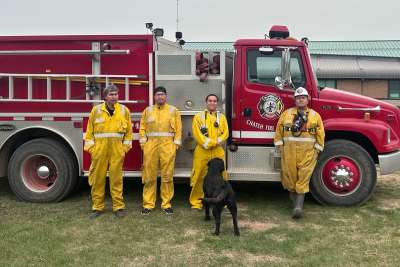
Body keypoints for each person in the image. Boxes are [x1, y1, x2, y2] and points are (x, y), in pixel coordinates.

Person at [274, 87, 325, 219]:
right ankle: (295, 204)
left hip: (308, 152)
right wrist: (279, 145)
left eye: (303, 97)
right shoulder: (286, 114)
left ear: (307, 99)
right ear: (295, 100)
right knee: (290, 178)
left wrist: (318, 148)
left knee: (303, 178)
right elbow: (279, 129)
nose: (300, 100)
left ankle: (298, 208)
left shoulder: (315, 115)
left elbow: (320, 132)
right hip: (289, 151)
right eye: (298, 98)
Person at [84, 84, 133, 219]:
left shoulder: (124, 110)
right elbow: (89, 132)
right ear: (105, 97)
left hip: (117, 151)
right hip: (99, 151)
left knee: (116, 180)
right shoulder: (96, 110)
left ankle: (118, 207)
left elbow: (129, 133)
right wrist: (92, 149)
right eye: (111, 94)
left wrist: (124, 148)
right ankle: (97, 207)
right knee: (98, 179)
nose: (114, 97)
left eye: (116, 94)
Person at [139, 86, 182, 215]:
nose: (160, 97)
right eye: (158, 94)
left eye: (162, 94)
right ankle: (148, 204)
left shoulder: (173, 110)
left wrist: (175, 145)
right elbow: (142, 128)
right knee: (149, 176)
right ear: (154, 97)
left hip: (167, 146)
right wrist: (144, 144)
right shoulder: (148, 111)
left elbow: (179, 129)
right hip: (150, 146)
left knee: (167, 176)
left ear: (166, 96)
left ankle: (166, 204)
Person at [189, 94, 229, 210]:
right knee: (199, 176)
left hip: (217, 151)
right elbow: (197, 134)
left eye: (215, 101)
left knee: (221, 176)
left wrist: (216, 142)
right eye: (210, 101)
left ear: (217, 103)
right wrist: (210, 143)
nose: (212, 103)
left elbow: (225, 133)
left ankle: (222, 199)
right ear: (206, 102)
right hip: (202, 150)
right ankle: (197, 202)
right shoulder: (198, 117)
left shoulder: (221, 117)